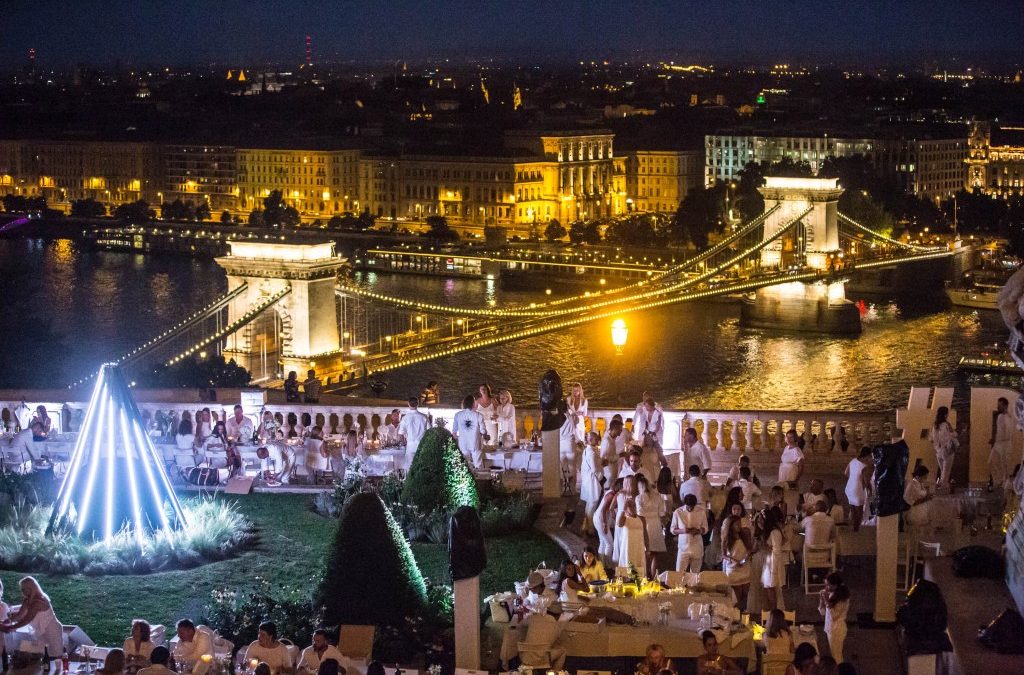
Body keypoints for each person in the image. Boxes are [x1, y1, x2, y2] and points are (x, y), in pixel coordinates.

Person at [0, 576, 63, 655]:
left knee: (55, 657)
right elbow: (19, 615)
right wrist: (7, 621)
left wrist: (10, 627)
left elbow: (26, 620)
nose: (22, 592)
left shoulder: (39, 601)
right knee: (42, 656)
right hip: (41, 631)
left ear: (30, 588)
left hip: (53, 631)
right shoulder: (27, 600)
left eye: (23, 589)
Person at [636, 473, 666, 578]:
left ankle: (645, 575)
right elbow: (662, 512)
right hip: (656, 524)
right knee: (655, 554)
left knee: (645, 552)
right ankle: (654, 577)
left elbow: (639, 513)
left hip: (645, 524)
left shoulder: (639, 498)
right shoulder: (658, 496)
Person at [721, 514, 753, 609]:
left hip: (745, 567)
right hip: (733, 568)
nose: (739, 526)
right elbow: (723, 555)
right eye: (736, 524)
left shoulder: (744, 535)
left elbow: (749, 549)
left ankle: (745, 613)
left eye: (739, 524)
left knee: (746, 594)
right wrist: (733, 560)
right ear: (731, 526)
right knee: (737, 596)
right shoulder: (726, 538)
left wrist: (748, 556)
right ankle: (737, 615)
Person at [616, 482, 649, 572]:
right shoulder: (624, 519)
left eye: (634, 505)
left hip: (639, 547)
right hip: (628, 548)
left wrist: (648, 548)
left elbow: (645, 533)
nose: (633, 508)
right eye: (630, 506)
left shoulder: (641, 518)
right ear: (626, 508)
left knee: (639, 569)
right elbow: (619, 524)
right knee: (628, 568)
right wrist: (623, 508)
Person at [818, 572, 850, 662]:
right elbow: (823, 613)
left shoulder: (842, 597)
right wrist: (821, 600)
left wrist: (826, 600)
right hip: (830, 628)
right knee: (833, 655)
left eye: (828, 585)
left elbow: (834, 616)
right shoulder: (832, 594)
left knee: (837, 657)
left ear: (836, 585)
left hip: (837, 629)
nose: (826, 587)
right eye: (826, 585)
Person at [671, 494, 707, 573]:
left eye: (692, 506)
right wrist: (683, 531)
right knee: (679, 573)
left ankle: (692, 586)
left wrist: (698, 531)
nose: (690, 508)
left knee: (695, 574)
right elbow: (672, 530)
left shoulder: (701, 511)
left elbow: (705, 528)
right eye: (688, 506)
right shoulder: (678, 512)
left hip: (697, 546)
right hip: (683, 547)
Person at [759, 507, 786, 611]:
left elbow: (776, 550)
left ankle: (774, 611)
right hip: (769, 561)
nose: (760, 521)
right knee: (769, 588)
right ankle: (773, 610)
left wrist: (773, 569)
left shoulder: (775, 532)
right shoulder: (769, 532)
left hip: (773, 562)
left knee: (771, 587)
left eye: (762, 519)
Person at [580, 431, 604, 535]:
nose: (597, 440)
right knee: (592, 504)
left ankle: (586, 525)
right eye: (595, 439)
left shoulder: (588, 451)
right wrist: (601, 479)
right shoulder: (591, 453)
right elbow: (595, 469)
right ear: (590, 440)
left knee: (589, 504)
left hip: (588, 480)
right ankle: (590, 528)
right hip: (592, 481)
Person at [843, 446, 872, 531]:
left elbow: (846, 473)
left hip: (849, 488)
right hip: (857, 490)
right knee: (859, 512)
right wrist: (870, 490)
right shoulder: (864, 466)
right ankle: (856, 529)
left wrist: (852, 479)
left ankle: (852, 527)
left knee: (852, 509)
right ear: (867, 455)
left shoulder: (853, 461)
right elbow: (866, 482)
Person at [452, 395, 485, 467]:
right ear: (473, 404)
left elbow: (454, 432)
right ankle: (480, 477)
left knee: (464, 465)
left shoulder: (457, 415)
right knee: (478, 464)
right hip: (475, 443)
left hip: (463, 443)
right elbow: (483, 431)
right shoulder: (479, 415)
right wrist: (484, 435)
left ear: (464, 404)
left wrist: (458, 439)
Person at [990, 397, 1014, 490]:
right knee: (991, 462)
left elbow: (1008, 434)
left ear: (1005, 406)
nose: (997, 407)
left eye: (999, 405)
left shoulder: (1008, 418)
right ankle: (998, 481)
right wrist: (994, 439)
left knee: (1005, 466)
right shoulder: (999, 416)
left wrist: (998, 440)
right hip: (998, 444)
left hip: (1005, 444)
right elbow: (999, 431)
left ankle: (1005, 485)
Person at [932, 406, 958, 488]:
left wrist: (937, 449)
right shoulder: (947, 424)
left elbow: (934, 439)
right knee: (946, 473)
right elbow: (954, 434)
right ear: (945, 415)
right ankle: (942, 489)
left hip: (939, 452)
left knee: (943, 471)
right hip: (948, 451)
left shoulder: (935, 426)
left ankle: (942, 487)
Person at [903, 465, 934, 534]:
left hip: (923, 508)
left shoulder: (920, 483)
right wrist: (925, 499)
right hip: (915, 510)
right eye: (924, 477)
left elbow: (922, 494)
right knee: (916, 531)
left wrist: (928, 496)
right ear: (918, 475)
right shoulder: (912, 484)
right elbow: (908, 499)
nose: (925, 478)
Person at [593, 482, 619, 565]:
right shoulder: (611, 495)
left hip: (598, 518)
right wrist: (604, 524)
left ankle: (602, 564)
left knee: (603, 542)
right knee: (609, 543)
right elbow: (603, 510)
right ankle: (608, 565)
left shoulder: (610, 492)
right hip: (601, 519)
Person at [601, 419, 624, 486]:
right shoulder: (607, 441)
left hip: (613, 469)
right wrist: (620, 455)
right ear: (615, 429)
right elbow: (604, 459)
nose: (621, 431)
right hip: (608, 471)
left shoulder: (612, 439)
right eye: (620, 429)